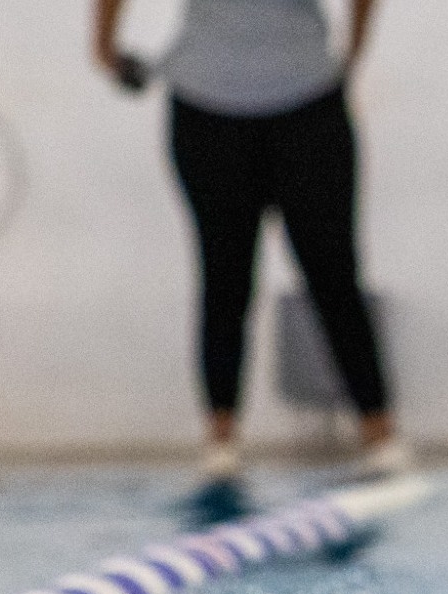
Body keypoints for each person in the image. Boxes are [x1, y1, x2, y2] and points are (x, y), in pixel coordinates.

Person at [93, 0, 410, 482]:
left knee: (332, 273)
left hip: (307, 100)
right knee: (225, 274)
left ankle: (378, 428)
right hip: (207, 105)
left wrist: (352, 52)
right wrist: (105, 47)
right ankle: (221, 435)